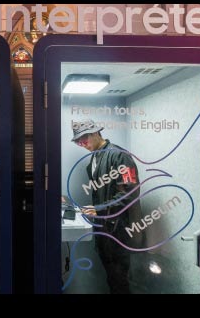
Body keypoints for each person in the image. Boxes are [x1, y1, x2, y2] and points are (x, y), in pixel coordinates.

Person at [72, 119, 140, 294]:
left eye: (84, 139)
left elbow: (130, 192)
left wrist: (100, 208)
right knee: (112, 277)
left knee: (119, 280)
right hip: (104, 229)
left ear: (95, 133)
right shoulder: (95, 156)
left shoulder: (119, 155)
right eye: (79, 141)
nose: (82, 144)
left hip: (118, 230)